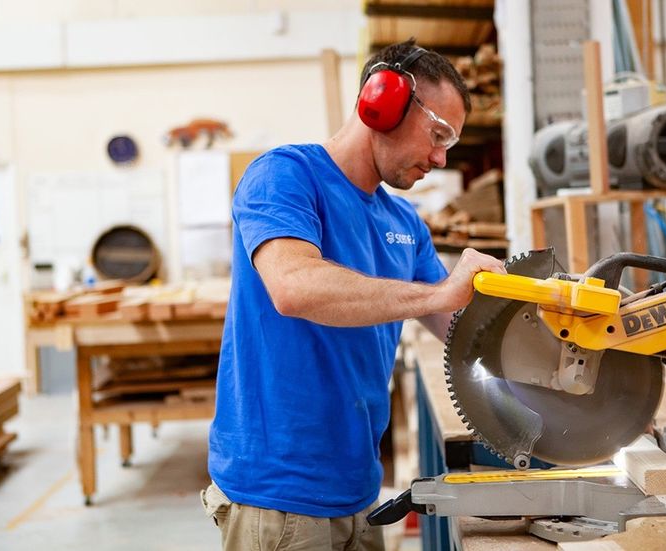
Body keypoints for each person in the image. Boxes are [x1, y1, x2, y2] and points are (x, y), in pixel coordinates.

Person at [203, 39, 506, 550]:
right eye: (437, 135)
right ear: (380, 102)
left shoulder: (404, 221)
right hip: (279, 499)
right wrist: (434, 295)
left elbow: (460, 327)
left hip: (360, 494)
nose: (438, 157)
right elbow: (294, 287)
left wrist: (554, 333)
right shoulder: (285, 177)